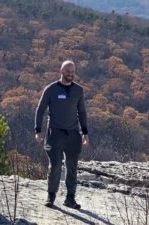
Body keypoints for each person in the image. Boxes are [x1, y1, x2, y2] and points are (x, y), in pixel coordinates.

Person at [35, 60, 89, 209]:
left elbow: (82, 112)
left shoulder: (79, 90)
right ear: (61, 71)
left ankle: (70, 198)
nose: (70, 74)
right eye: (67, 71)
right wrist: (38, 130)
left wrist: (85, 133)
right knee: (56, 165)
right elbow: (40, 110)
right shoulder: (51, 89)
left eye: (72, 71)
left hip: (73, 134)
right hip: (55, 133)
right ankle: (51, 196)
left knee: (72, 167)